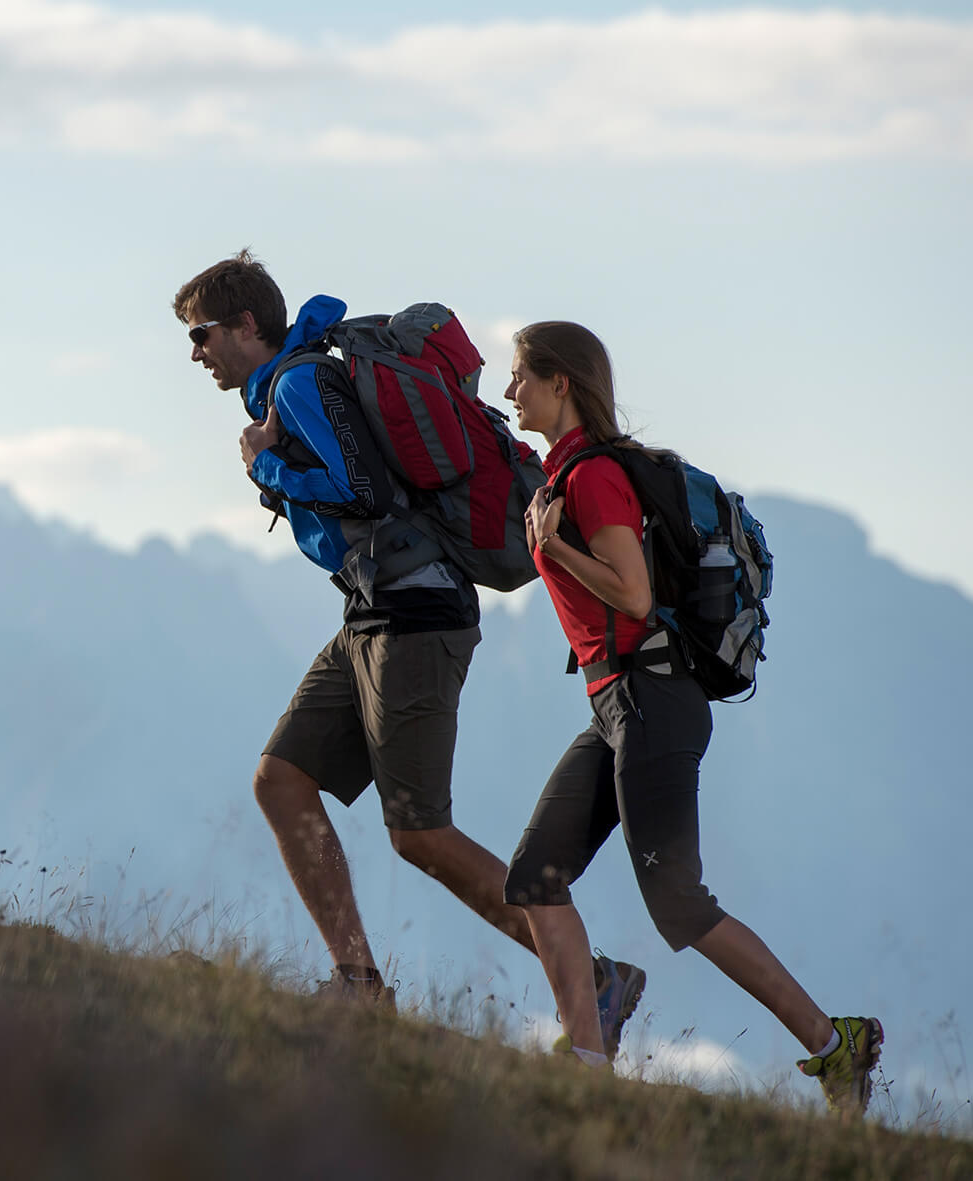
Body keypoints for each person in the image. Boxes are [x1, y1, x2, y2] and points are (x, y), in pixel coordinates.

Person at [172, 252, 644, 1055]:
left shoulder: (297, 386)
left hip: (416, 615)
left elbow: (363, 490)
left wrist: (267, 464)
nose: (196, 353)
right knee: (281, 779)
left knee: (419, 832)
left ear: (247, 326)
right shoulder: (288, 386)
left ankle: (593, 979)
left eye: (202, 334)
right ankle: (359, 984)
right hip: (371, 612)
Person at [499, 319, 883, 1110]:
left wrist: (556, 546)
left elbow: (634, 595)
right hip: (617, 703)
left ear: (561, 382)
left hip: (652, 699)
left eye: (519, 376)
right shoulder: (562, 473)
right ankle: (585, 1059)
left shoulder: (593, 479)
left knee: (679, 902)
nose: (510, 391)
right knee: (535, 878)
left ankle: (833, 1042)